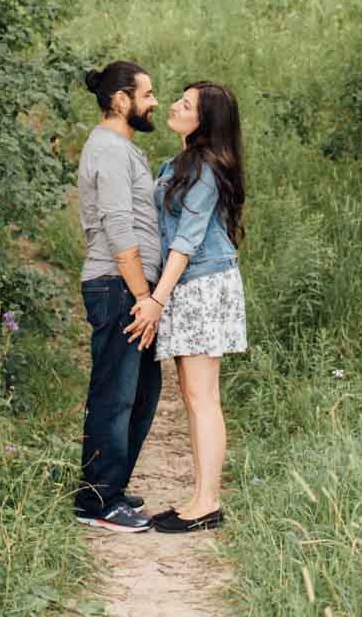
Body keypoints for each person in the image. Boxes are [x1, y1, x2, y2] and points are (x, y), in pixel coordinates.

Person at [145, 80, 247, 533]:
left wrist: (156, 299)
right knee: (191, 395)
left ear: (204, 121)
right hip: (185, 285)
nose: (173, 105)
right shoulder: (177, 164)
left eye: (185, 105)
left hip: (203, 284)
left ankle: (208, 503)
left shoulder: (206, 167)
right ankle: (199, 496)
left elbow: (186, 241)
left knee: (203, 397)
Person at [73, 60, 165, 533]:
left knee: (143, 392)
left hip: (132, 288)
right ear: (120, 100)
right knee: (116, 394)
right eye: (147, 94)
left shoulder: (123, 149)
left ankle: (107, 485)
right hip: (118, 285)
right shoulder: (108, 149)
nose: (154, 103)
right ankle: (97, 503)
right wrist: (142, 295)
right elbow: (117, 226)